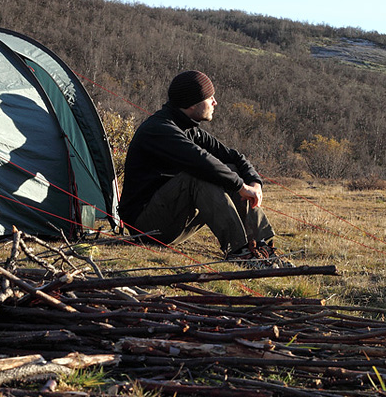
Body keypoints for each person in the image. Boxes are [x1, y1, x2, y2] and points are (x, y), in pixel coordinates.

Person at [118, 70, 291, 268]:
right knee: (198, 175)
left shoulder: (190, 129)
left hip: (173, 221)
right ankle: (239, 251)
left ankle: (262, 247)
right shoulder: (159, 129)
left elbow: (234, 157)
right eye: (210, 98)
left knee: (231, 168)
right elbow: (201, 161)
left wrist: (254, 182)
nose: (215, 102)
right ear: (192, 103)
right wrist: (241, 187)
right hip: (146, 228)